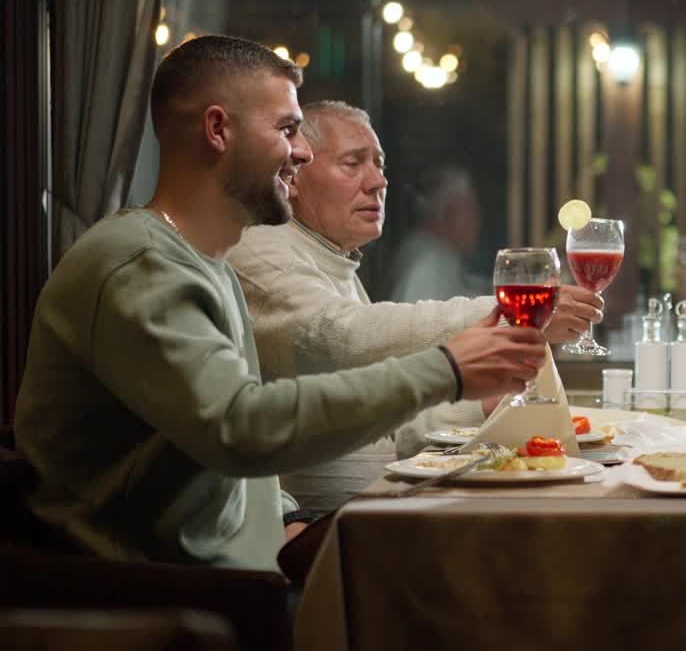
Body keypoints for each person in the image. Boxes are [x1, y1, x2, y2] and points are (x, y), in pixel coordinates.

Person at [14, 36, 546, 572]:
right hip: (168, 599)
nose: (304, 152)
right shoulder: (138, 265)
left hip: (243, 568)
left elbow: (223, 455)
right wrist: (448, 369)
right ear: (218, 130)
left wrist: (285, 517)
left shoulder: (207, 263)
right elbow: (243, 429)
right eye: (287, 130)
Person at [226, 101, 602, 495]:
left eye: (379, 165)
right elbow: (333, 339)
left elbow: (376, 430)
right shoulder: (260, 244)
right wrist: (510, 315)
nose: (378, 182)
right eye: (354, 163)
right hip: (322, 522)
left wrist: (481, 407)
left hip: (373, 507)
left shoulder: (333, 259)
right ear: (295, 173)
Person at [386, 164, 485, 303]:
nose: (477, 220)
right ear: (446, 214)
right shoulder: (430, 265)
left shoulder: (442, 257)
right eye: (471, 210)